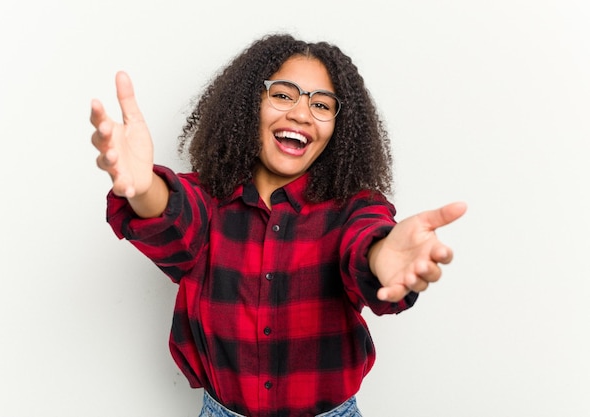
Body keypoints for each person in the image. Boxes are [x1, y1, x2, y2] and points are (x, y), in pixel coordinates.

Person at [90, 33, 466, 417]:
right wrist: (143, 187)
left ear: (339, 128)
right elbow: (172, 214)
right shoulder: (209, 200)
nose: (301, 114)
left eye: (321, 105)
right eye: (283, 95)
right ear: (249, 104)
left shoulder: (353, 209)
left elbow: (367, 240)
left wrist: (383, 258)